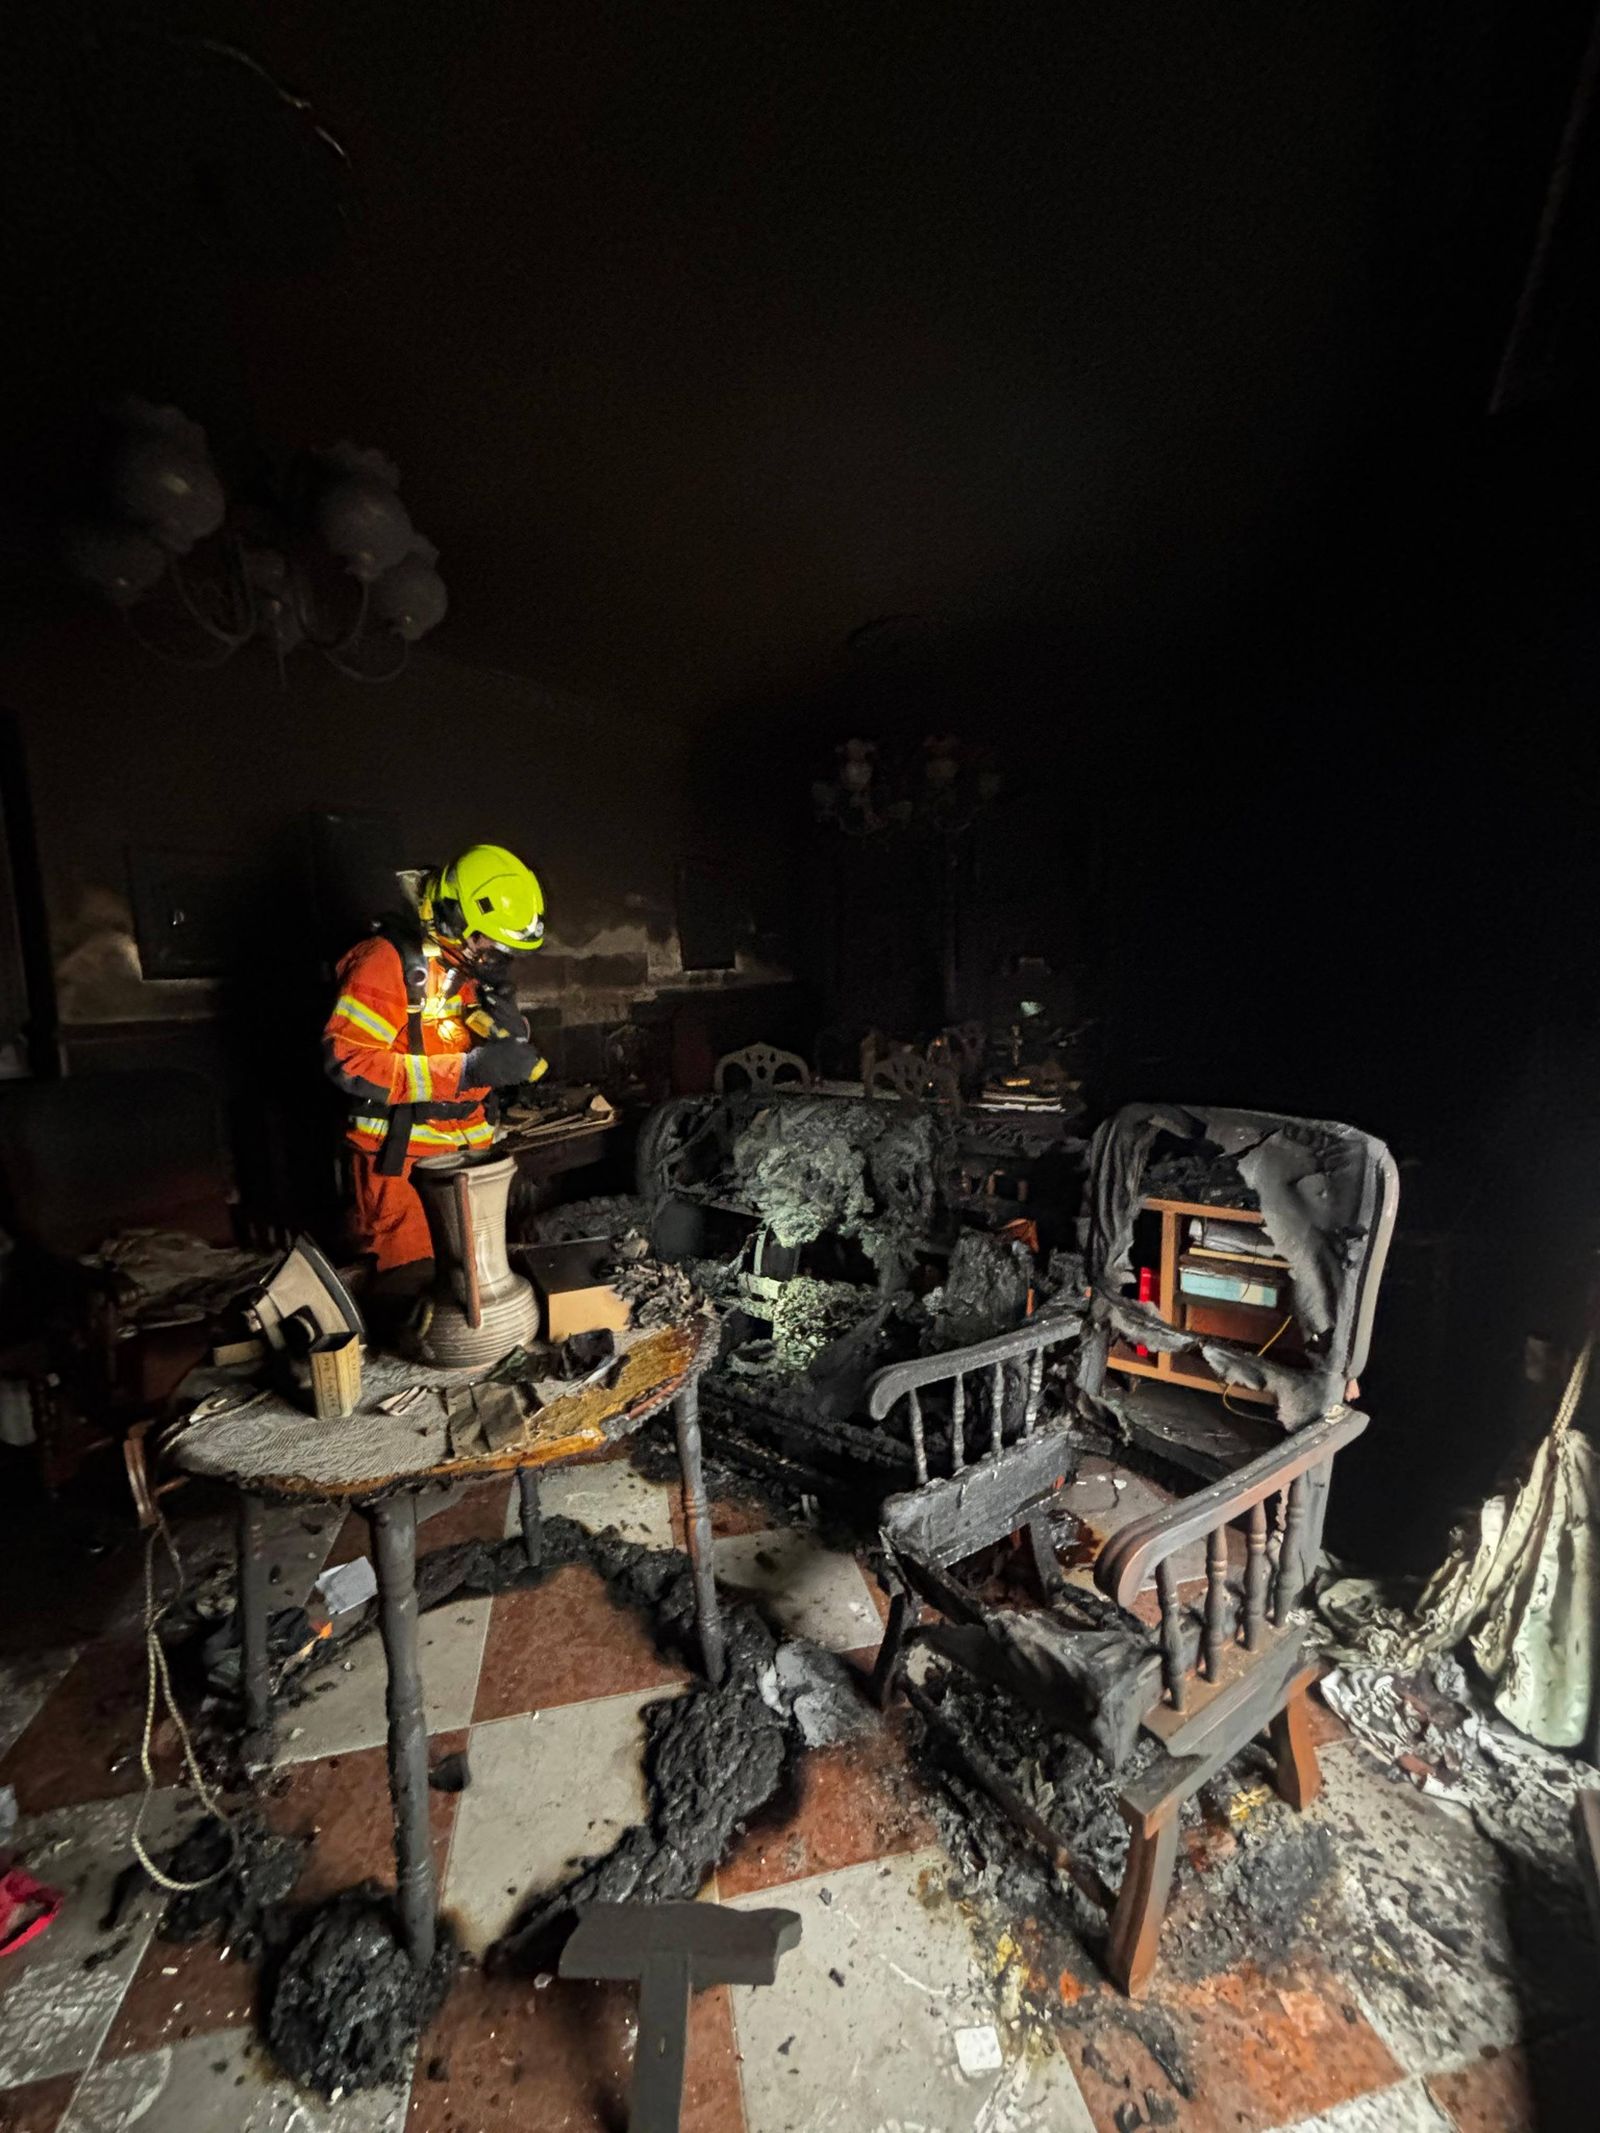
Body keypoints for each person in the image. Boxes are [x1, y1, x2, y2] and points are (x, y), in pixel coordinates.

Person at [323, 843, 548, 1274]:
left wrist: (512, 1031)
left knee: (474, 1284)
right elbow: (348, 1061)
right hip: (400, 1166)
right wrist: (468, 1071)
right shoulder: (385, 961)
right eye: (486, 940)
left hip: (468, 1159)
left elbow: (463, 1037)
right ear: (453, 916)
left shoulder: (468, 967)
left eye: (505, 949)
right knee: (410, 1285)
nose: (493, 954)